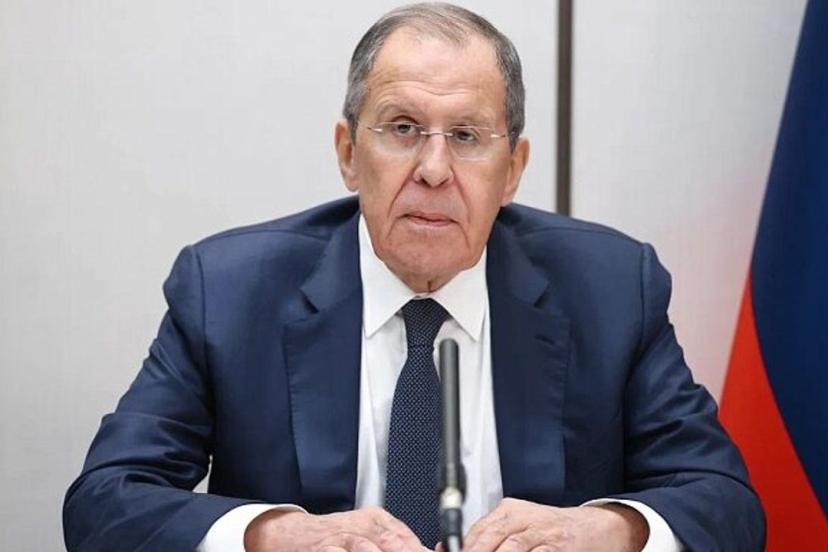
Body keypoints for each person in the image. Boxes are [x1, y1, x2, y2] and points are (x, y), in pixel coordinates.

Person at [63, 3, 764, 551]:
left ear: (513, 171)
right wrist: (275, 535)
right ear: (348, 153)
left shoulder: (610, 288)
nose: (433, 170)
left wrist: (610, 529)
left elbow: (726, 504)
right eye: (402, 128)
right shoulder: (228, 291)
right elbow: (104, 502)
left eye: (466, 136)